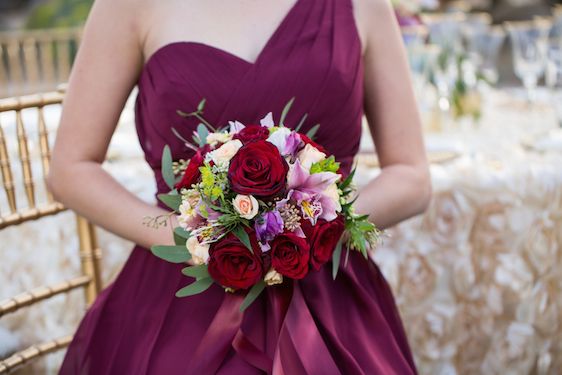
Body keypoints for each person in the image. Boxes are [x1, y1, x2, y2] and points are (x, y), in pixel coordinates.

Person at [48, 0, 431, 373]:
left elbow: (411, 175)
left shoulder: (363, 6)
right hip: (181, 289)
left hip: (325, 292)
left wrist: (315, 223)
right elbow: (71, 168)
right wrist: (194, 238)